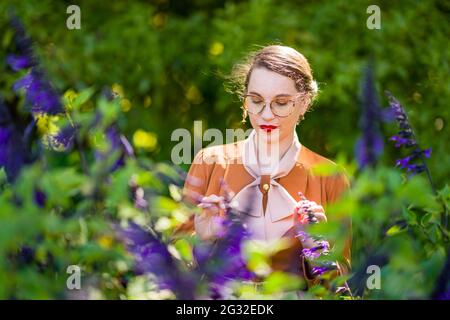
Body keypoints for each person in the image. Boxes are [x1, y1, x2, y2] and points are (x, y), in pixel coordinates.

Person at [179, 45, 351, 287]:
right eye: (256, 100)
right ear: (245, 100)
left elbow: (341, 289)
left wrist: (318, 251)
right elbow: (171, 270)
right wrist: (204, 243)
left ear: (304, 102)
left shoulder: (330, 177)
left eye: (281, 103)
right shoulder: (209, 163)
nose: (266, 114)